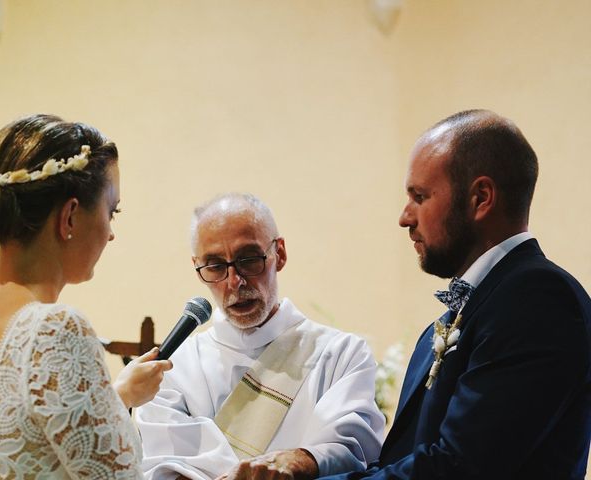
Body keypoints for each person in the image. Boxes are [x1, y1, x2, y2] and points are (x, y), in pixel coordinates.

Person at [321, 109, 591, 480]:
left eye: (420, 196)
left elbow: (459, 468)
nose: (405, 217)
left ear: (481, 198)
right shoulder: (471, 308)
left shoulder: (540, 299)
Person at [0, 114, 171, 478]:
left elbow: (18, 437)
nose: (111, 233)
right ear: (69, 216)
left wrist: (115, 397)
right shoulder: (55, 328)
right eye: (110, 211)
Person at [136, 193, 385, 480]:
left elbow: (351, 448)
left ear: (279, 253)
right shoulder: (173, 369)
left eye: (249, 259)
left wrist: (297, 461)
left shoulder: (342, 354)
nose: (235, 281)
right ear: (197, 267)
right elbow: (162, 467)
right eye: (216, 265)